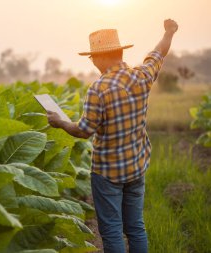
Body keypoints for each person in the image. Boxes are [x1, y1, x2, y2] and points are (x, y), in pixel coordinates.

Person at [46, 19, 178, 253]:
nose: (93, 63)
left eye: (92, 57)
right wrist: (169, 32)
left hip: (108, 173)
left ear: (102, 56)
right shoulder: (142, 76)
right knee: (136, 227)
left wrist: (60, 122)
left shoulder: (99, 89)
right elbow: (158, 53)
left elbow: (84, 130)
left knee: (112, 231)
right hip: (136, 166)